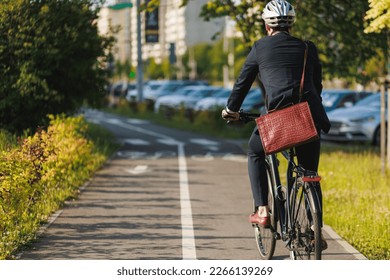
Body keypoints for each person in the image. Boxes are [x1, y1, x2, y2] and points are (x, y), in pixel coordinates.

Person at [221, 1, 330, 231]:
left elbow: (242, 83)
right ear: (291, 24)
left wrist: (231, 109)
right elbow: (316, 85)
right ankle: (314, 227)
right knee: (309, 172)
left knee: (254, 151)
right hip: (308, 120)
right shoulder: (308, 48)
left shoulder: (260, 48)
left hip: (277, 122)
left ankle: (262, 210)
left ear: (266, 25)